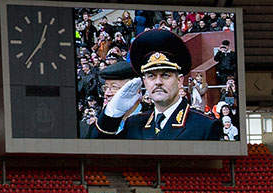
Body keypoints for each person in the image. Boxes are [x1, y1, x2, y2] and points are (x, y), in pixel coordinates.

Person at [94, 30, 222, 140]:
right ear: (144, 82)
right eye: (151, 76)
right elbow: (98, 153)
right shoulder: (134, 124)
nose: (158, 82)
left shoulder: (204, 125)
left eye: (165, 75)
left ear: (179, 80)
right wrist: (112, 113)